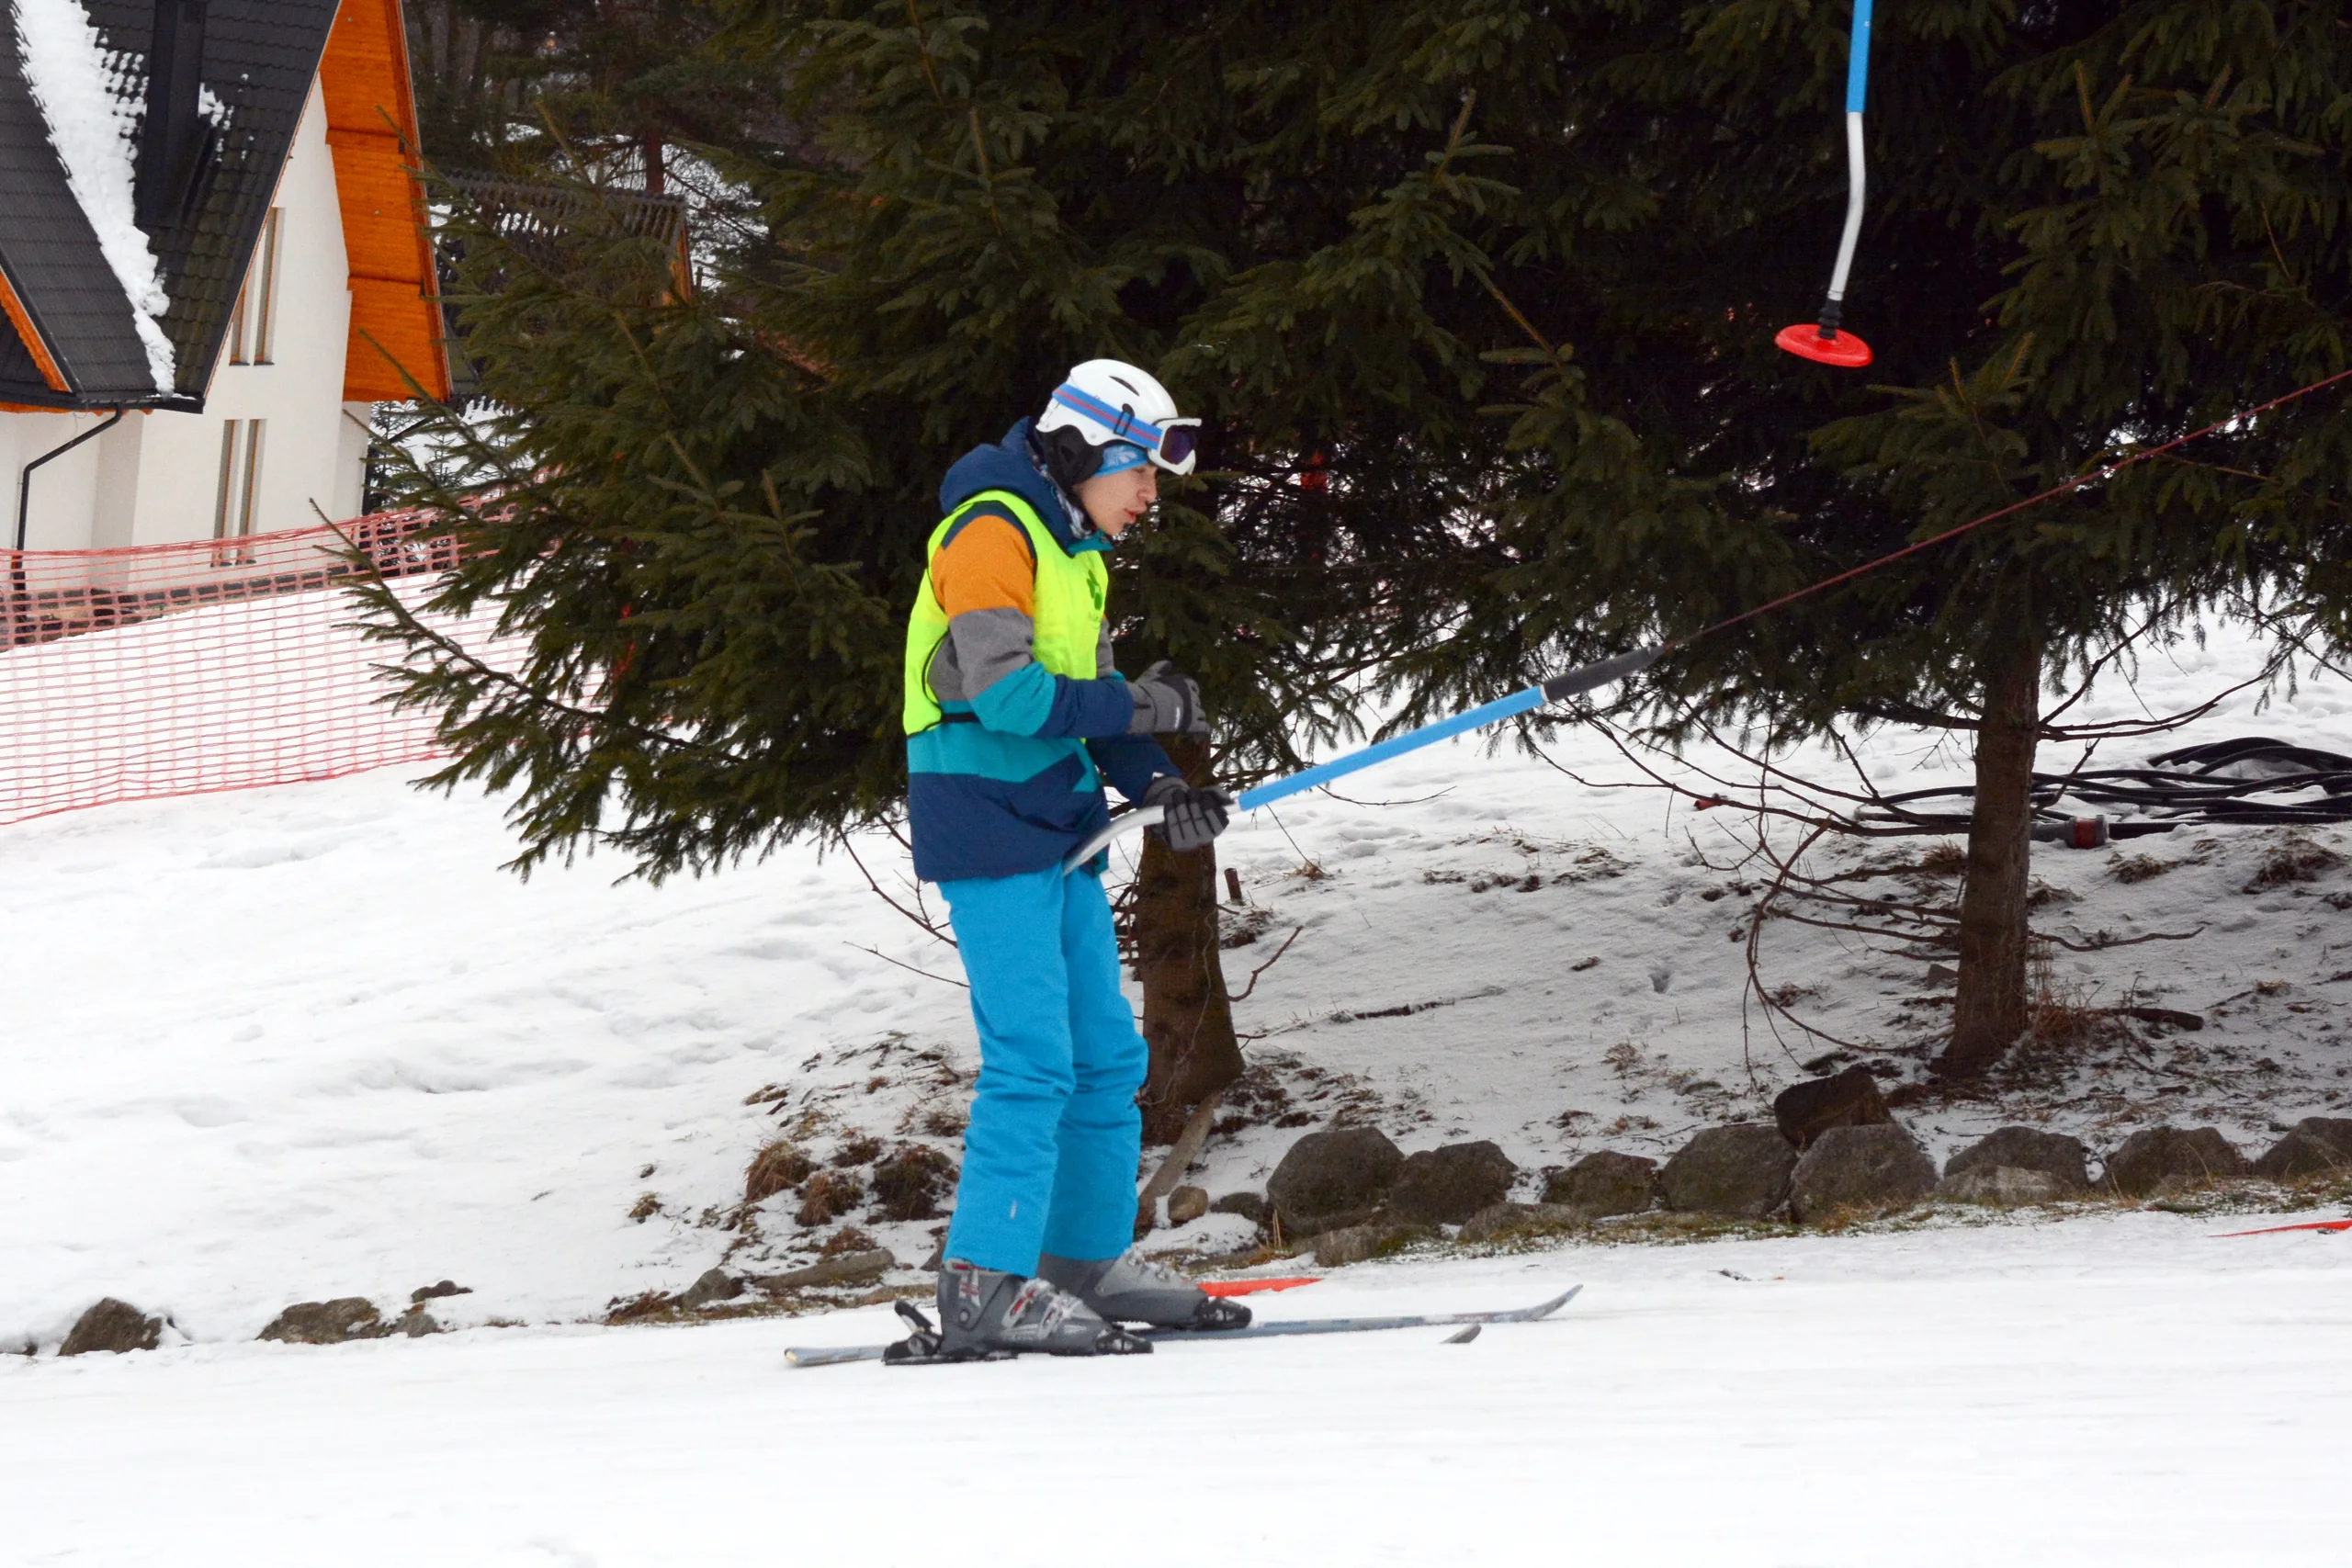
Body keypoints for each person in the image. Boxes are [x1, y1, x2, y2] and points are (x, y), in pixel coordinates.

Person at [902, 359, 1247, 1359]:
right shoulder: (989, 531)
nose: (1149, 493)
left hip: (1057, 820)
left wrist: (1158, 784)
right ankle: (981, 1286)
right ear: (1080, 451)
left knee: (1106, 1059)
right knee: (1033, 1062)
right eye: (1138, 468)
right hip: (983, 812)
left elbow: (1085, 696)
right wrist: (1152, 706)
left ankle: (1079, 1267)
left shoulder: (1075, 549)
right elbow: (1011, 700)